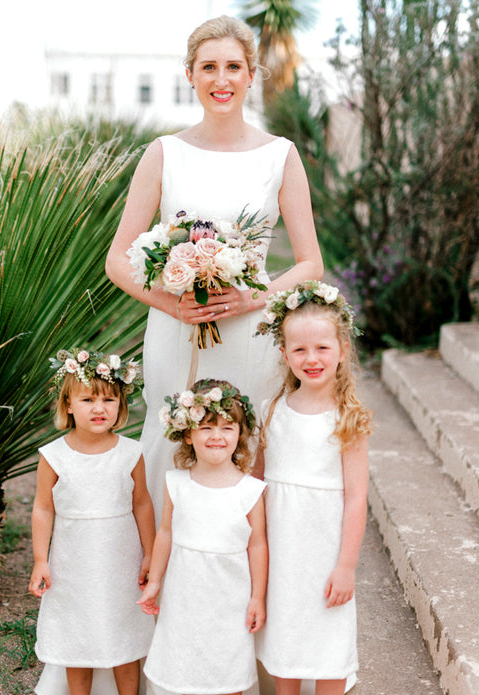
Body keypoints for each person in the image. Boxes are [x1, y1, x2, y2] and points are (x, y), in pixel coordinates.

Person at [105, 14, 323, 520]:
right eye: (208, 67)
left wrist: (252, 297)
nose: (220, 80)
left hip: (251, 332)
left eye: (232, 67)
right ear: (190, 74)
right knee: (171, 440)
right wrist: (172, 304)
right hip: (175, 333)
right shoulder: (164, 154)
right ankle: (163, 580)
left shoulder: (281, 156)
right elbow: (117, 260)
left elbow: (310, 261)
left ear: (251, 75)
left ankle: (245, 585)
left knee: (246, 445)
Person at [252, 281, 372, 695]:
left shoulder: (348, 417)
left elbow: (356, 497)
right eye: (299, 348)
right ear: (284, 353)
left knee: (323, 631)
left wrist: (345, 564)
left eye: (322, 347)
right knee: (282, 626)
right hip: (281, 539)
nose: (312, 357)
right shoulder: (273, 409)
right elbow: (258, 481)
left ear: (342, 351)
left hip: (323, 542)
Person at [138, 379, 268, 695]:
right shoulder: (176, 483)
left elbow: (258, 545)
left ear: (240, 435)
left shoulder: (250, 489)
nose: (216, 435)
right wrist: (155, 581)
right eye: (206, 426)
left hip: (230, 592)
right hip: (186, 588)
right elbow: (165, 534)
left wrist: (257, 597)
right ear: (187, 433)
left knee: (227, 659)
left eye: (227, 427)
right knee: (190, 656)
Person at [28, 348, 156, 695]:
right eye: (88, 399)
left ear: (121, 403)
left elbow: (142, 504)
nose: (99, 408)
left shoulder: (130, 451)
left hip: (121, 556)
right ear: (68, 403)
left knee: (125, 630)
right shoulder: (54, 455)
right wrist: (39, 560)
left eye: (108, 399)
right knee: (77, 630)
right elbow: (43, 508)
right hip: (73, 559)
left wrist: (150, 553)